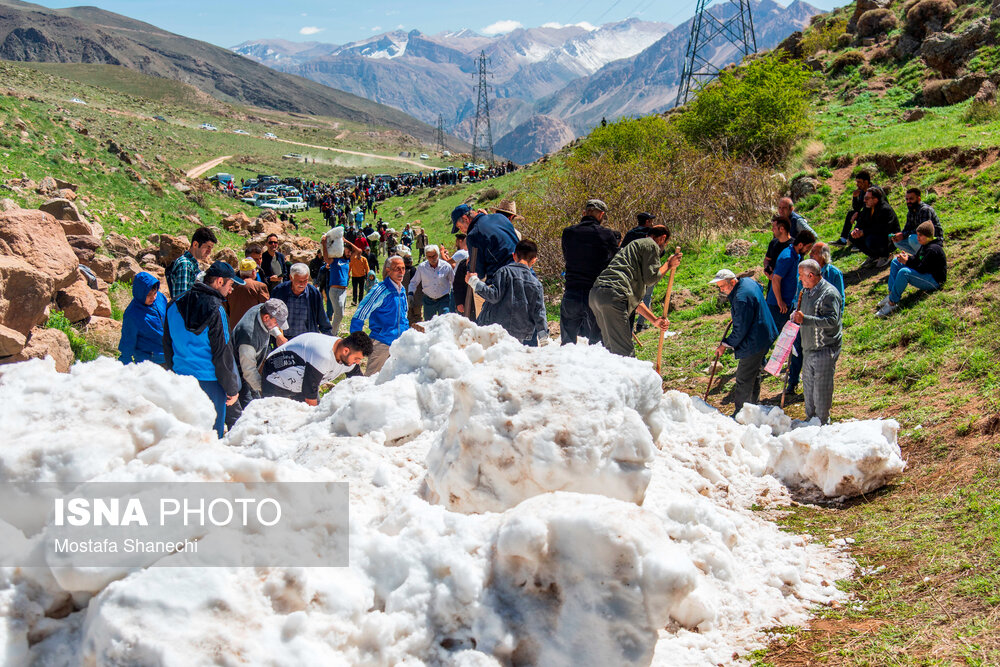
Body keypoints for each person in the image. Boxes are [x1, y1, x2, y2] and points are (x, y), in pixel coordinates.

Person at [163, 261, 243, 437]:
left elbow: (167, 347)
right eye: (230, 285)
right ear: (219, 282)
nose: (231, 290)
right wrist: (231, 388)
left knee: (185, 434)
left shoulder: (173, 304)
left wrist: (172, 374)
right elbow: (222, 353)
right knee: (210, 438)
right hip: (211, 383)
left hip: (181, 380)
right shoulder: (217, 309)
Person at [588, 226, 681, 357]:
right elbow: (651, 279)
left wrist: (654, 320)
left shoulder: (630, 251)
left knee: (611, 351)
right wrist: (669, 264)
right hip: (614, 296)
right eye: (665, 244)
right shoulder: (651, 244)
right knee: (625, 354)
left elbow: (634, 300)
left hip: (597, 295)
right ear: (662, 238)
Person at [710, 269, 779, 417]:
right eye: (720, 287)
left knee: (744, 377)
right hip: (764, 333)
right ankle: (753, 407)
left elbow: (740, 330)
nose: (721, 290)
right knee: (754, 373)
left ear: (733, 282)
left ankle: (741, 413)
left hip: (755, 340)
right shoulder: (747, 282)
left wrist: (725, 344)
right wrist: (742, 313)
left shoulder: (741, 299)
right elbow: (758, 291)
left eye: (723, 286)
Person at [786, 241, 844, 397]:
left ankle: (818, 396)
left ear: (823, 256)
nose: (810, 254)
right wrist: (795, 313)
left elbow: (840, 300)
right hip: (803, 321)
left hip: (821, 324)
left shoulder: (834, 274)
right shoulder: (804, 273)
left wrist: (836, 321)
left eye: (814, 253)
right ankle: (793, 382)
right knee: (799, 350)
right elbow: (799, 294)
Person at [560, 199, 620, 345]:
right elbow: (615, 261)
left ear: (584, 212)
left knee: (567, 343)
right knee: (597, 344)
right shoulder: (606, 234)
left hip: (571, 291)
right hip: (594, 294)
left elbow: (567, 255)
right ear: (601, 214)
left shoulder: (568, 233)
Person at [791, 260, 843, 424]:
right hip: (808, 347)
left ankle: (822, 422)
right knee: (809, 389)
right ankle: (810, 421)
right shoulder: (806, 291)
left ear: (811, 275)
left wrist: (805, 319)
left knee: (821, 391)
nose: (800, 279)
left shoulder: (829, 294)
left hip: (824, 348)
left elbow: (832, 320)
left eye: (801, 275)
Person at [467, 239, 547, 346]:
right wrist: (543, 337)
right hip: (520, 334)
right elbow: (539, 312)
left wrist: (474, 282)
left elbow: (494, 296)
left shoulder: (504, 272)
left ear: (514, 256)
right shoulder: (536, 284)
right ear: (534, 260)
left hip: (496, 330)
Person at [261, 331, 372, 405]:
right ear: (346, 350)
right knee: (275, 420)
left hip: (302, 382)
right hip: (276, 377)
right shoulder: (323, 355)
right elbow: (310, 395)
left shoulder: (349, 359)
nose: (358, 362)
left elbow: (360, 384)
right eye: (357, 358)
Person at [226, 299, 289, 428]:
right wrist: (269, 389)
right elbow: (249, 373)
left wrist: (278, 335)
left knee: (257, 402)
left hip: (247, 368)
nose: (277, 326)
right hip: (237, 373)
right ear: (266, 317)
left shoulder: (262, 308)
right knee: (250, 410)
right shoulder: (248, 337)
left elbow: (270, 325)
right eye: (277, 323)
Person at [351, 255, 409, 376]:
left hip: (400, 344)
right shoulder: (381, 290)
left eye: (403, 268)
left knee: (393, 380)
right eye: (397, 268)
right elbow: (360, 314)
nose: (401, 272)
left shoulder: (401, 290)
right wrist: (355, 342)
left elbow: (404, 316)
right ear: (388, 270)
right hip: (381, 343)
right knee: (373, 379)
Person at [876, 221, 946, 319]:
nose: (918, 238)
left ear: (928, 235)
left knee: (904, 272)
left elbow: (922, 269)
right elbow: (917, 259)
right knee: (896, 262)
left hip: (934, 281)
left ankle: (892, 303)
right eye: (917, 235)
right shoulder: (925, 245)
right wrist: (906, 258)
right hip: (925, 274)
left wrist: (907, 262)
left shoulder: (933, 249)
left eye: (920, 235)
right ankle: (891, 294)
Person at [450, 203, 519, 281]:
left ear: (465, 218)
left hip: (505, 281)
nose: (462, 231)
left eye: (460, 227)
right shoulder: (500, 217)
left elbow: (478, 272)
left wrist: (469, 264)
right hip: (526, 274)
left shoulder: (474, 235)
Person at [270, 263, 333, 339]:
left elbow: (322, 318)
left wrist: (331, 339)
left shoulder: (313, 293)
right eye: (299, 281)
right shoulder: (279, 291)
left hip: (306, 339)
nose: (302, 284)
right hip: (284, 339)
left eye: (305, 280)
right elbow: (271, 317)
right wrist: (278, 336)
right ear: (291, 278)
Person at [118, 271, 166, 365]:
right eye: (148, 295)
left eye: (154, 293)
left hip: (168, 354)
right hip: (149, 361)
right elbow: (127, 341)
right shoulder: (132, 314)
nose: (153, 297)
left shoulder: (160, 298)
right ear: (140, 293)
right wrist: (125, 366)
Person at [851, 186, 900, 269]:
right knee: (852, 236)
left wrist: (864, 232)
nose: (864, 200)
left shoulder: (885, 210)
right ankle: (874, 256)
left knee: (871, 240)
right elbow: (861, 220)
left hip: (889, 239)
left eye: (867, 198)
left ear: (875, 199)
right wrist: (857, 230)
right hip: (872, 234)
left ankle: (885, 256)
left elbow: (882, 229)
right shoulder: (868, 207)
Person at [765, 218, 798, 331]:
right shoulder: (773, 243)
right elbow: (767, 260)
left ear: (782, 228)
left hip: (785, 291)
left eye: (774, 227)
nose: (772, 230)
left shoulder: (793, 247)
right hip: (772, 286)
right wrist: (766, 269)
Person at [167, 227, 216, 299]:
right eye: (207, 247)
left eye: (211, 248)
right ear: (195, 244)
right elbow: (181, 299)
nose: (209, 252)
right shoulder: (185, 264)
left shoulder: (193, 265)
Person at [409, 245, 454, 319]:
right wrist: (411, 294)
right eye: (429, 257)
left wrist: (455, 297)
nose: (432, 258)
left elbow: (454, 282)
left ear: (438, 254)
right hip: (428, 300)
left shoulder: (446, 266)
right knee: (429, 324)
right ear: (426, 256)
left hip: (443, 300)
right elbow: (414, 282)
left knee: (445, 322)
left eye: (434, 256)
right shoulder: (422, 267)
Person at [225, 258, 269, 333]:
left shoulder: (230, 286)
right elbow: (266, 307)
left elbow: (225, 307)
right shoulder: (259, 286)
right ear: (253, 272)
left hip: (233, 328)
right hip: (253, 329)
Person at [894, 188, 942, 255]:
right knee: (897, 242)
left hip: (933, 240)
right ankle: (919, 257)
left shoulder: (925, 210)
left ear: (918, 199)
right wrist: (899, 235)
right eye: (907, 199)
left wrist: (903, 235)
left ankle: (926, 256)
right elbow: (907, 228)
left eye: (911, 199)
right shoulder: (910, 212)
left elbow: (923, 231)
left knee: (912, 238)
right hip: (919, 238)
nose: (908, 201)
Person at [832, 170, 874, 246]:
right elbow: (857, 208)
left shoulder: (873, 191)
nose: (857, 185)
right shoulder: (862, 192)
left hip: (874, 217)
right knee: (851, 213)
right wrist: (855, 197)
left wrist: (858, 214)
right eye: (857, 182)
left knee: (859, 218)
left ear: (866, 182)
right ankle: (843, 240)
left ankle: (859, 241)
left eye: (859, 182)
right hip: (865, 214)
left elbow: (870, 208)